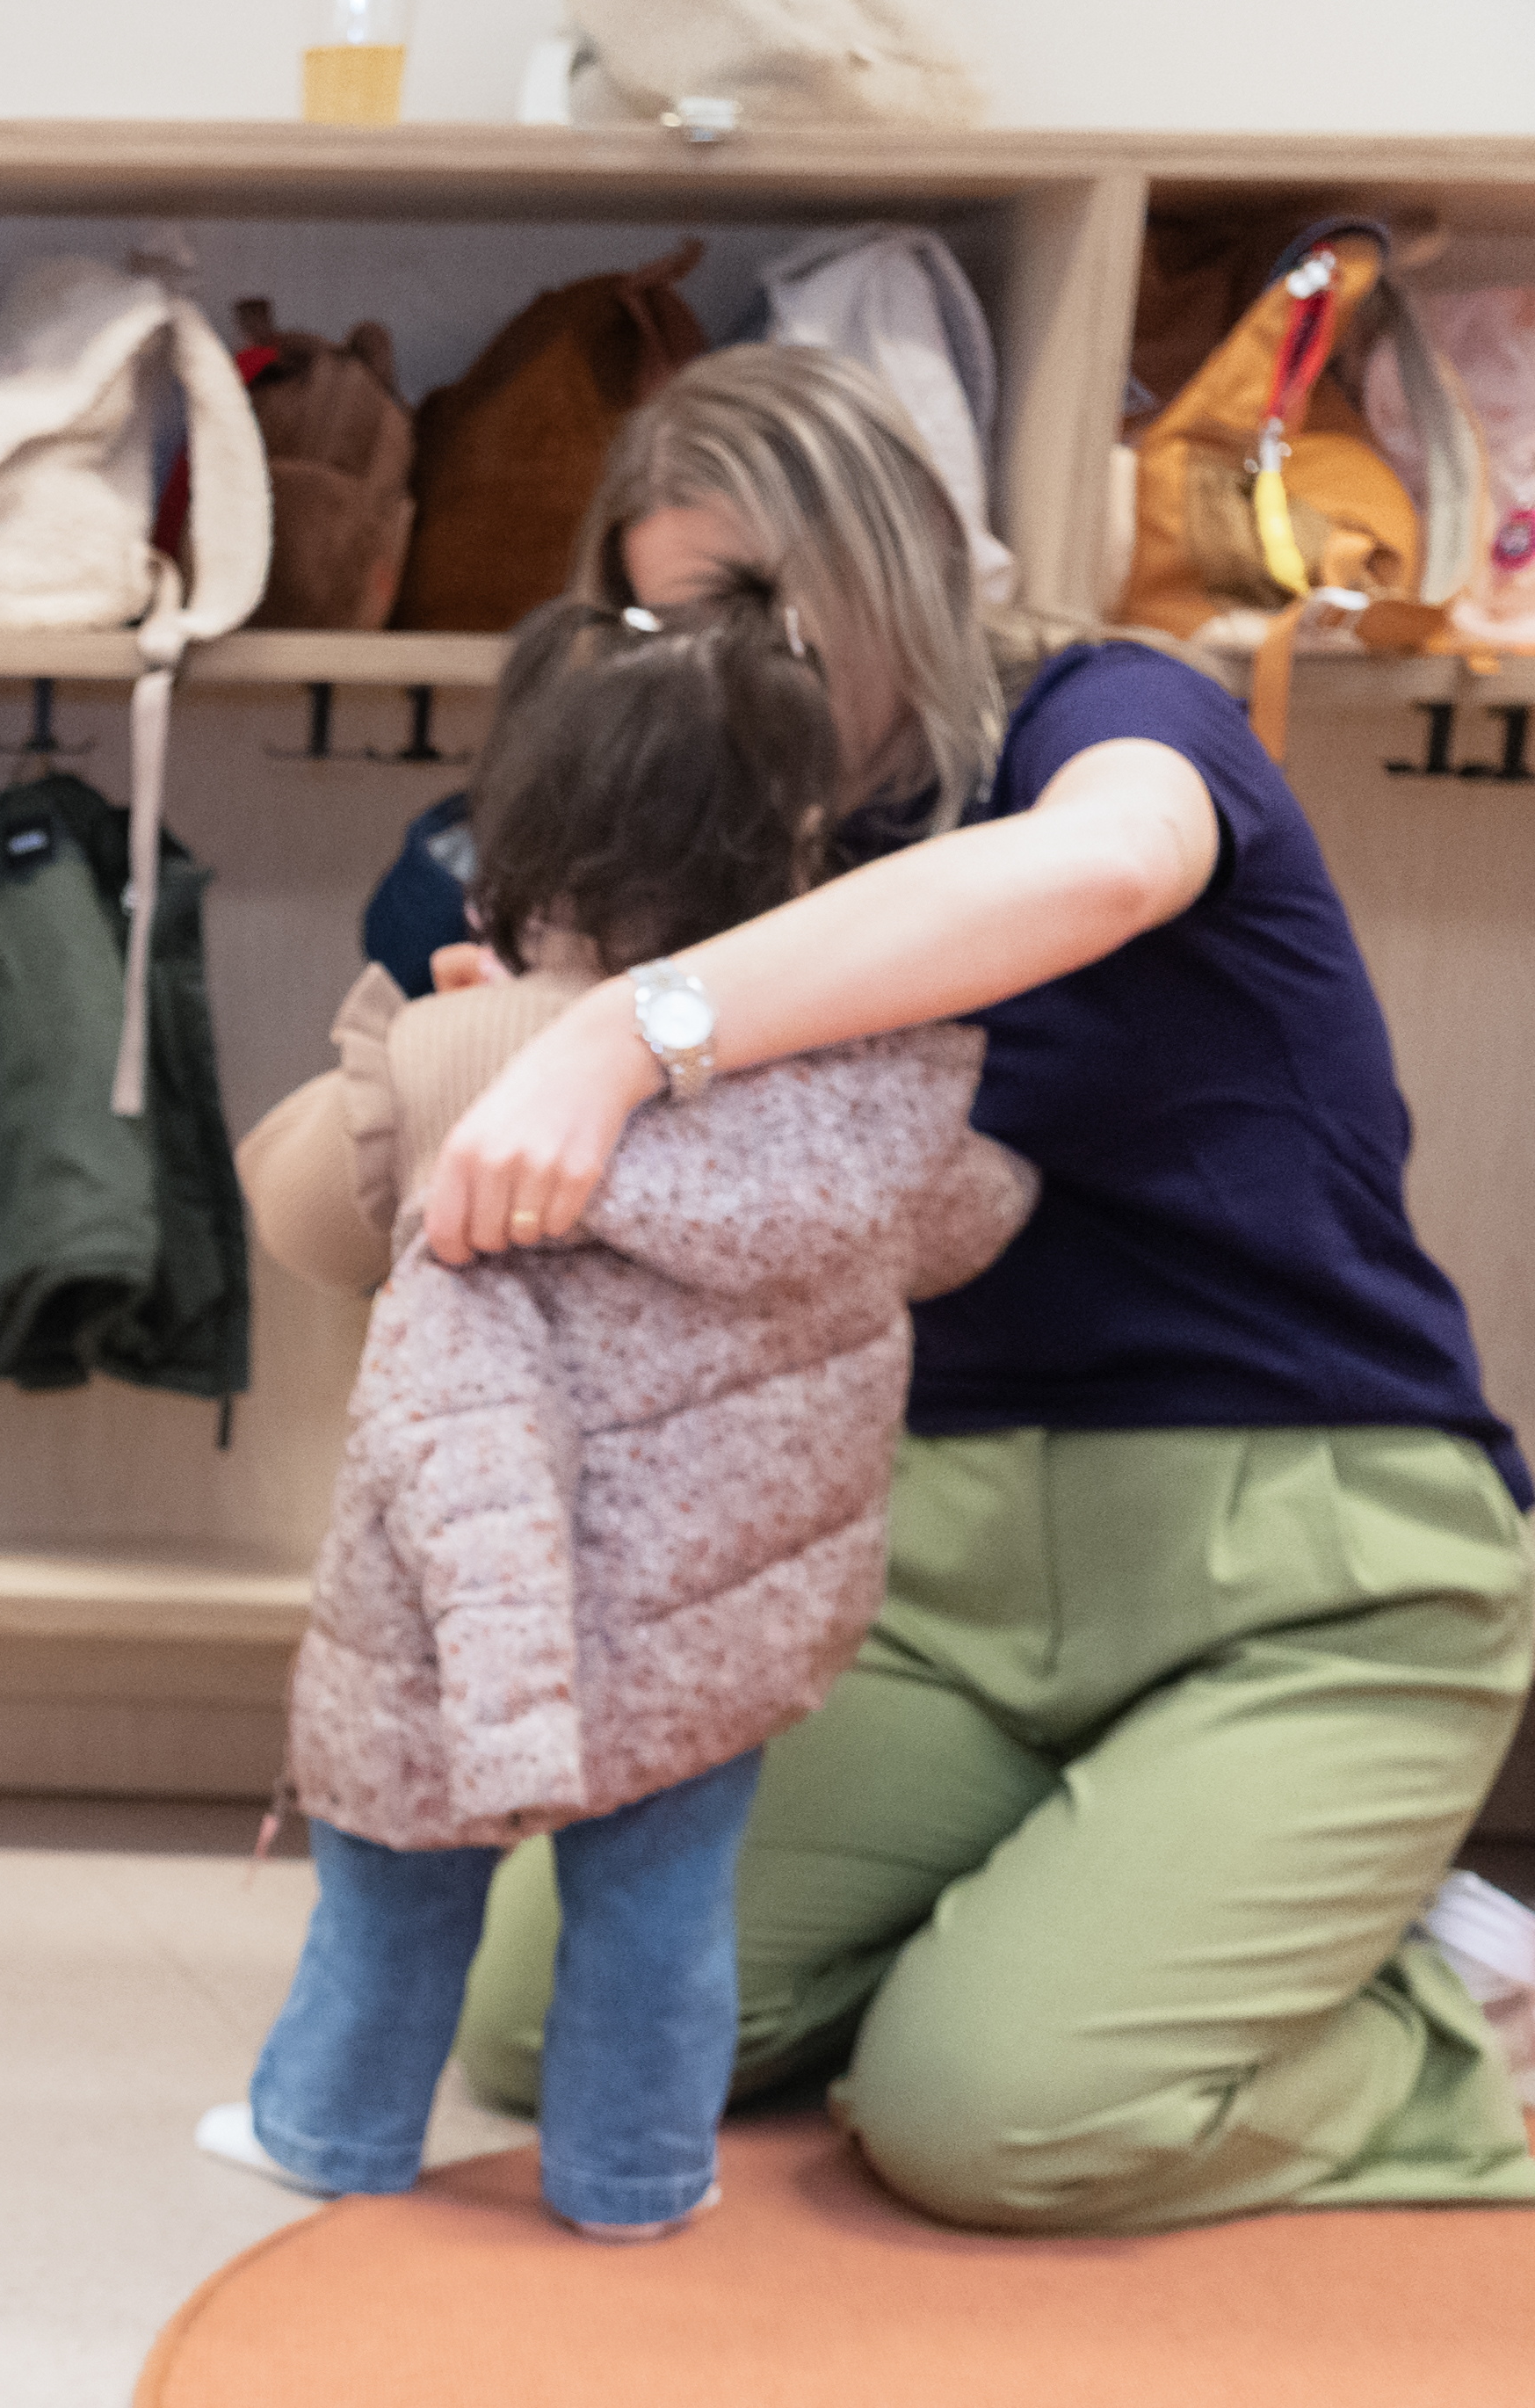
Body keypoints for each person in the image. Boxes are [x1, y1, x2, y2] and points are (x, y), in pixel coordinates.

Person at [402, 346, 1535, 2231]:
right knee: (540, 2015)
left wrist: (626, 1028)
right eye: (670, 617)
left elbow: (1107, 866)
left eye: (766, 608)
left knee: (990, 2123)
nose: (721, 660)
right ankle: (1104, 1903)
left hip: (1311, 1565)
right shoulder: (733, 852)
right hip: (933, 1582)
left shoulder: (1111, 716)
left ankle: (1444, 2017)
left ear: (903, 567)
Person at [204, 595, 1032, 2236]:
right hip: (716, 1645)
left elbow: (452, 1420)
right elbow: (970, 1215)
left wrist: (516, 1730)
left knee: (393, 1904)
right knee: (663, 1915)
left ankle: (331, 2126)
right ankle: (638, 2179)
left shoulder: (488, 1112)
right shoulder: (872, 1095)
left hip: (467, 1648)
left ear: (520, 855)